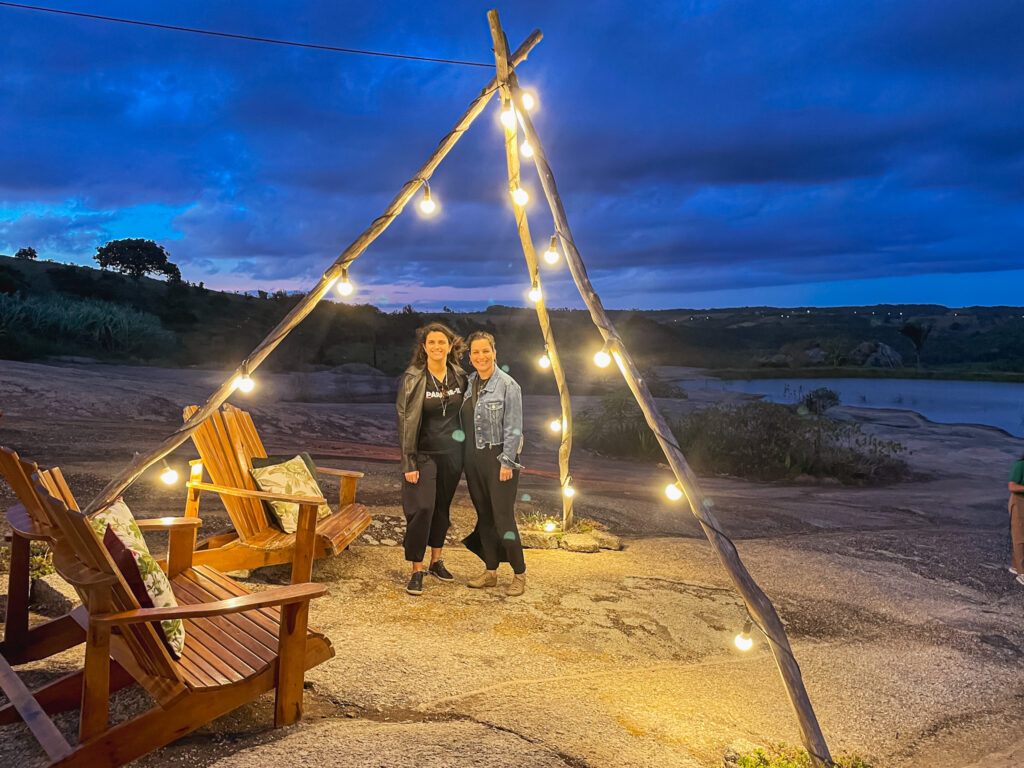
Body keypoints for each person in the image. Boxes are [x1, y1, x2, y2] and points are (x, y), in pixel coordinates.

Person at [396, 322, 467, 596]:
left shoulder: (460, 376)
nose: (437, 347)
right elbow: (404, 420)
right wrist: (408, 461)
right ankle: (417, 569)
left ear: (450, 346)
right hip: (423, 454)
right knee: (422, 508)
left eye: (442, 342)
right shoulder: (413, 378)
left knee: (442, 509)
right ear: (424, 348)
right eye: (431, 343)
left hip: (452, 454)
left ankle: (437, 561)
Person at [460, 331, 527, 596]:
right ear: (470, 356)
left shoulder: (508, 385)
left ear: (494, 352)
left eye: (485, 350)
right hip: (473, 459)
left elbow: (514, 428)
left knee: (503, 519)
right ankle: (490, 572)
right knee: (484, 517)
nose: (481, 356)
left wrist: (507, 462)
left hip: (499, 458)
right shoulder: (470, 382)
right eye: (475, 352)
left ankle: (520, 574)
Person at [1008, 452, 1024, 585]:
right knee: (1019, 537)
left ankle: (1015, 566)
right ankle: (1021, 572)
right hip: (1019, 501)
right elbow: (1012, 486)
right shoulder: (1019, 466)